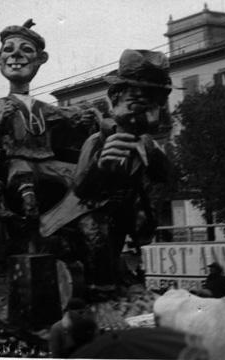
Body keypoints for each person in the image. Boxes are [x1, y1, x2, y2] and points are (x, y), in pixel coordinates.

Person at [43, 49, 173, 290]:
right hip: (81, 217)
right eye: (134, 103)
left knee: (114, 244)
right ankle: (100, 286)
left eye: (153, 107)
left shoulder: (148, 147)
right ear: (114, 101)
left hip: (120, 216)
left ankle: (112, 279)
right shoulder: (97, 141)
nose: (142, 114)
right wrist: (101, 166)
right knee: (97, 239)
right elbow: (80, 189)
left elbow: (162, 179)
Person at [0, 19, 100, 220]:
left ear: (41, 59)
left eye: (26, 50)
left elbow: (70, 115)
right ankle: (29, 220)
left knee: (81, 177)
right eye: (9, 49)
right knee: (24, 184)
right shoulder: (2, 104)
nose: (16, 55)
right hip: (19, 161)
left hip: (47, 162)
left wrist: (84, 116)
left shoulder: (44, 107)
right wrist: (1, 119)